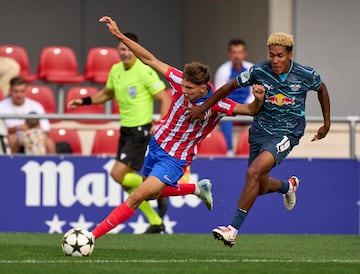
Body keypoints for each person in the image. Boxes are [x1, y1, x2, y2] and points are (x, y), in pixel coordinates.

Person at [88, 16, 265, 241]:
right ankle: (195, 189)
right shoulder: (179, 79)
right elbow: (149, 59)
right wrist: (119, 35)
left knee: (138, 196)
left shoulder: (218, 103)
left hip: (175, 158)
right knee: (151, 195)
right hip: (156, 144)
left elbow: (250, 110)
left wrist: (258, 100)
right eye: (183, 86)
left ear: (203, 89)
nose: (184, 90)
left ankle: (90, 236)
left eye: (190, 88)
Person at [186, 32, 331, 247]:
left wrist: (326, 123)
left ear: (290, 54)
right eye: (272, 55)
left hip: (287, 133)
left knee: (253, 172)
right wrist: (203, 107)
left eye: (280, 56)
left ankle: (232, 230)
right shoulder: (259, 71)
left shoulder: (305, 74)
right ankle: (287, 186)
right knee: (260, 186)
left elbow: (322, 90)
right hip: (260, 132)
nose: (275, 60)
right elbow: (228, 87)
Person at [68, 32, 171, 234]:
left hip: (141, 131)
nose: (124, 53)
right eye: (121, 48)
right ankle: (156, 221)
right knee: (128, 182)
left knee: (117, 174)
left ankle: (159, 192)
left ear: (134, 49)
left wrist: (161, 123)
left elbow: (164, 98)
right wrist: (85, 101)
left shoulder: (144, 70)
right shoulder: (116, 70)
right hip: (125, 131)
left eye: (128, 49)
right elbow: (107, 93)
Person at [214, 39, 253, 156]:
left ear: (244, 54)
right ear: (229, 54)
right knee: (224, 117)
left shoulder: (251, 69)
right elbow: (219, 94)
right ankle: (229, 152)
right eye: (234, 52)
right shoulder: (223, 71)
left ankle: (255, 151)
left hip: (247, 107)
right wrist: (233, 108)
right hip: (230, 108)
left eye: (240, 52)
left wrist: (246, 107)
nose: (237, 56)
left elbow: (254, 93)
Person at [0, 76, 55, 154]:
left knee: (49, 142)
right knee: (12, 139)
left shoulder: (36, 106)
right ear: (10, 91)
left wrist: (31, 128)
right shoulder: (1, 106)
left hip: (33, 138)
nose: (19, 95)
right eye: (16, 91)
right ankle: (11, 165)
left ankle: (51, 164)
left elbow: (46, 131)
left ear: (26, 91)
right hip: (13, 140)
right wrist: (18, 128)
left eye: (22, 91)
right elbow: (2, 132)